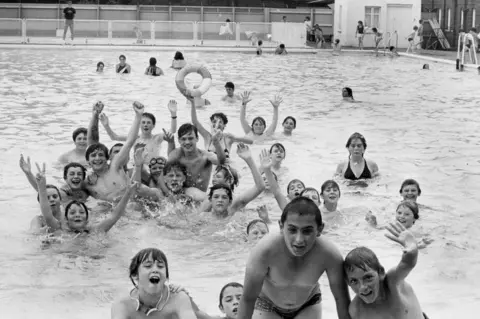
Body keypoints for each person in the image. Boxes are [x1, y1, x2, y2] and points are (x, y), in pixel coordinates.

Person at [236, 197, 351, 319]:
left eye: (307, 231)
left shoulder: (329, 254)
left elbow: (341, 299)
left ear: (319, 229)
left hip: (308, 304)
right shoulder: (264, 251)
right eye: (292, 230)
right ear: (281, 226)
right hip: (266, 305)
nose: (299, 240)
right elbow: (248, 299)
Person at [344, 222, 429, 319]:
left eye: (368, 277)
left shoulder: (393, 282)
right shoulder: (357, 310)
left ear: (381, 272)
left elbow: (407, 264)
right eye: (354, 281)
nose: (362, 287)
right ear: (348, 282)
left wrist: (412, 247)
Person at [85, 101, 161, 202]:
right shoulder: (86, 181)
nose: (97, 158)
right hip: (111, 210)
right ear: (88, 161)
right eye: (94, 156)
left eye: (101, 155)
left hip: (133, 207)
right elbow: (92, 142)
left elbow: (129, 141)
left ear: (107, 158)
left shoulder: (115, 167)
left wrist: (138, 116)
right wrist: (95, 115)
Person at [35, 163, 138, 235]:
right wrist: (41, 186)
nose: (77, 215)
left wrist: (128, 193)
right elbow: (47, 213)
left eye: (81, 212)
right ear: (66, 218)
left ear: (87, 217)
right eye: (72, 212)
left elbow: (115, 215)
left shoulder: (96, 230)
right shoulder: (59, 230)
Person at [111, 248, 198, 319]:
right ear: (135, 275)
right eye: (148, 266)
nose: (155, 270)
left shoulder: (178, 298)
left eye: (160, 266)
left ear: (166, 277)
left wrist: (188, 299)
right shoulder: (123, 304)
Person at [100, 100, 177, 165]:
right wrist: (106, 126)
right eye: (143, 122)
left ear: (153, 126)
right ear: (139, 125)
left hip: (153, 168)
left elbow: (172, 131)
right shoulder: (134, 138)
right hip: (136, 167)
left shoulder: (157, 138)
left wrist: (173, 114)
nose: (145, 125)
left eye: (148, 123)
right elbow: (114, 137)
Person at [200, 144, 265, 218]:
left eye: (218, 177)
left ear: (230, 180)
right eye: (216, 197)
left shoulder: (235, 204)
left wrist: (249, 159)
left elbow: (260, 187)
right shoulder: (208, 203)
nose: (213, 179)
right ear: (211, 199)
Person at [167, 123, 227, 192]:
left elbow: (221, 161)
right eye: (183, 139)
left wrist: (216, 142)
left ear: (197, 138)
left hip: (200, 199)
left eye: (190, 138)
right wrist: (171, 143)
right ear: (179, 140)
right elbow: (166, 171)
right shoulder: (177, 155)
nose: (187, 142)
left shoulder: (205, 156)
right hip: (181, 197)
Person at [20, 156, 90, 204]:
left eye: (79, 174)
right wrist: (28, 173)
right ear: (65, 178)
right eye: (72, 174)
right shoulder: (62, 193)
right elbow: (42, 190)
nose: (76, 176)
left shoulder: (87, 190)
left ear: (83, 178)